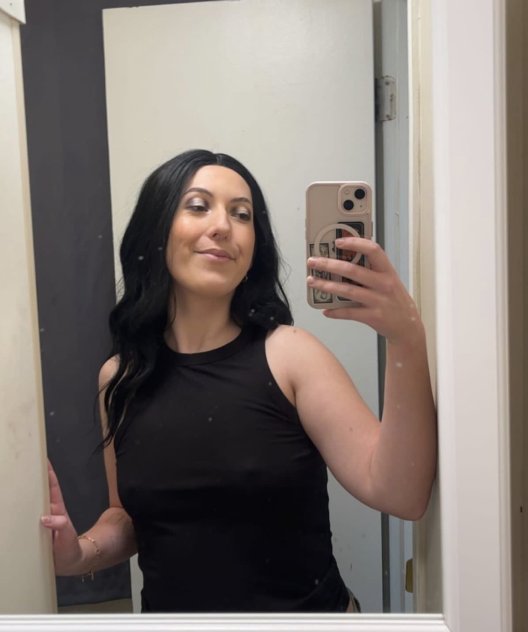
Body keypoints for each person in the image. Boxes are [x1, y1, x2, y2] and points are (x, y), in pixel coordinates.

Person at [41, 149, 437, 613]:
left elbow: (400, 494)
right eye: (198, 206)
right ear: (156, 229)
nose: (223, 226)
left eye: (242, 214)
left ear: (253, 248)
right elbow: (127, 516)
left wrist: (405, 337)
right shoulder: (120, 377)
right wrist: (80, 552)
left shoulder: (292, 356)